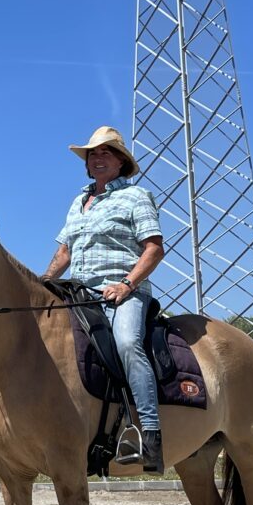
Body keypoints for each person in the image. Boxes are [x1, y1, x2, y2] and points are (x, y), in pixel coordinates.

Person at [42, 126, 166, 473]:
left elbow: (154, 249)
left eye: (106, 153)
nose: (98, 158)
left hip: (121, 292)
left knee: (127, 343)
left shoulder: (136, 196)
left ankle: (151, 434)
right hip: (79, 292)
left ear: (121, 161)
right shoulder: (78, 202)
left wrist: (126, 285)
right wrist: (45, 282)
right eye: (92, 154)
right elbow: (65, 250)